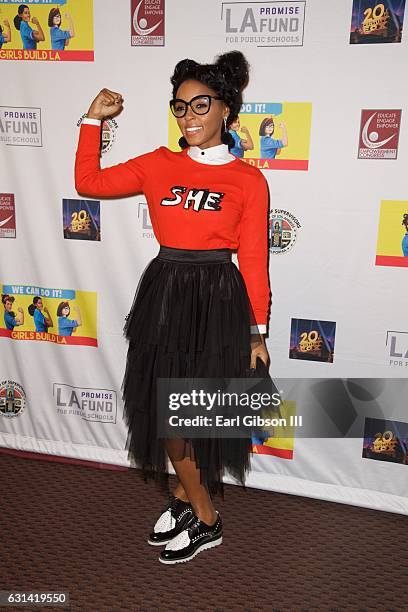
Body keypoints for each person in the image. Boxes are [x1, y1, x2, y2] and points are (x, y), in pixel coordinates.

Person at [75, 51, 271, 565]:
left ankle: (205, 517)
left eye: (200, 105)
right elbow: (88, 184)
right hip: (166, 292)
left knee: (192, 411)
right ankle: (187, 500)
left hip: (220, 299)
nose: (188, 117)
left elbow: (253, 258)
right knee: (163, 409)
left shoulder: (249, 181)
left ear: (226, 109)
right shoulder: (159, 164)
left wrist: (257, 331)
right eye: (180, 107)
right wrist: (92, 119)